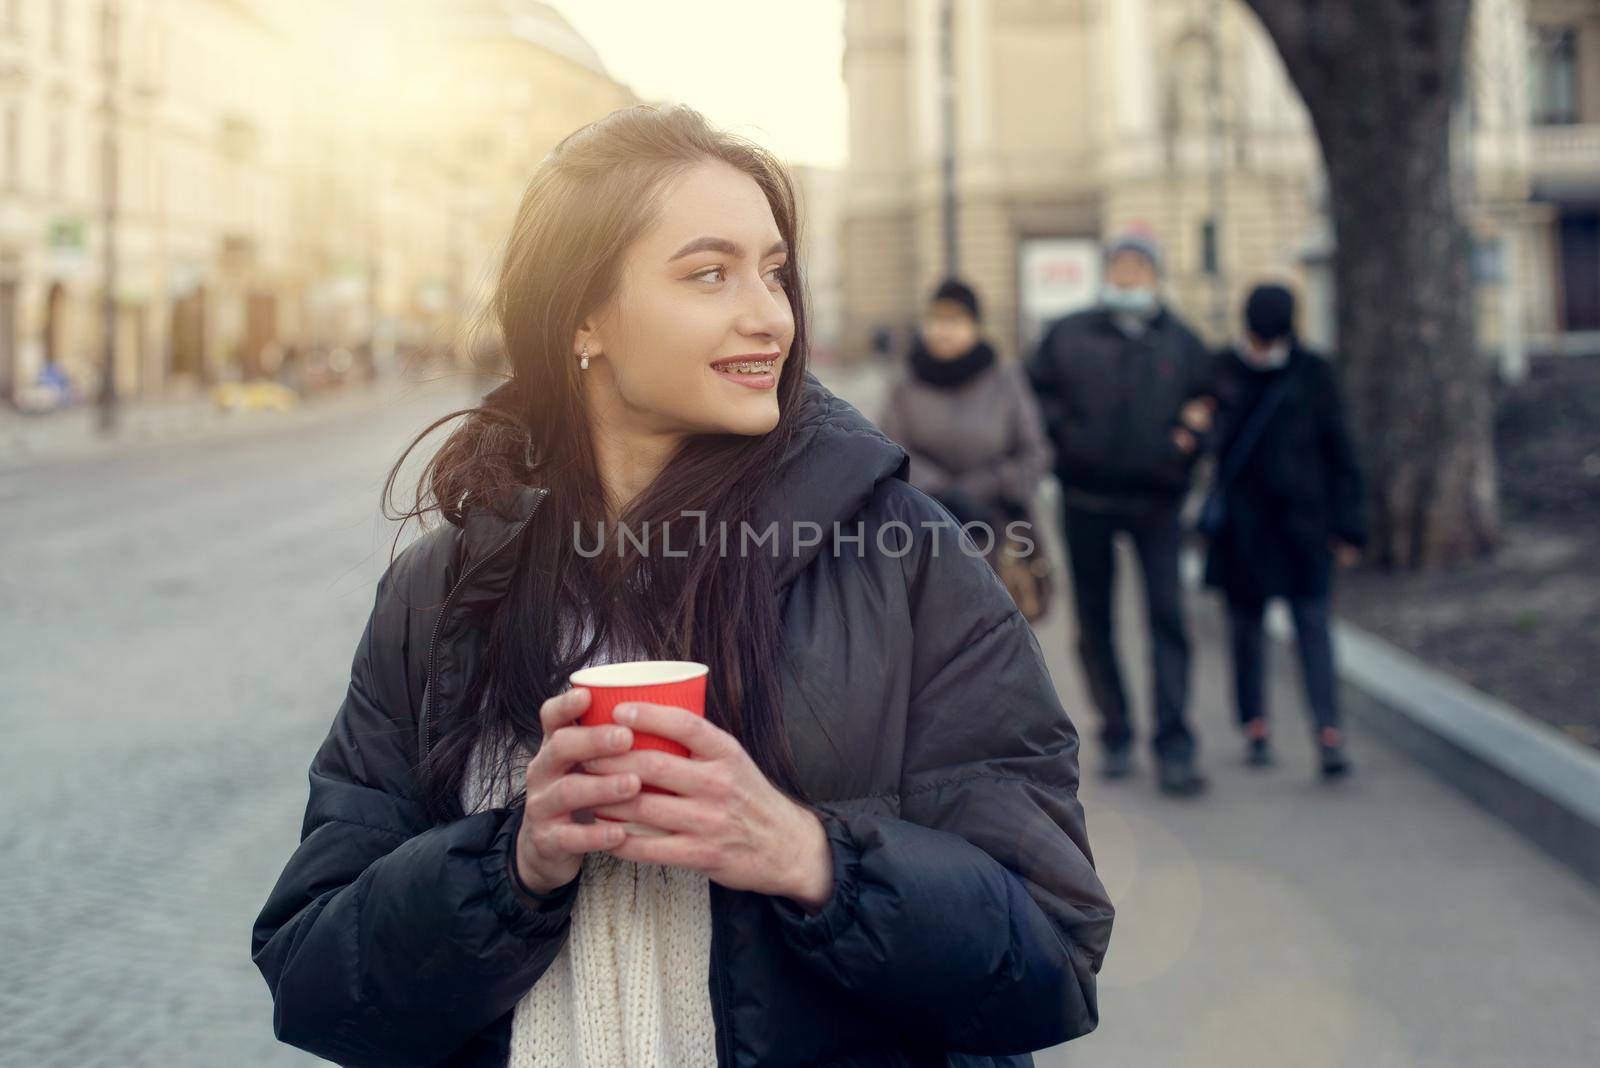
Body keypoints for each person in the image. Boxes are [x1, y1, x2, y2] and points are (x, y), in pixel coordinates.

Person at [251, 105, 1112, 1068]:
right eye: (710, 274)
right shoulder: (441, 593)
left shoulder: (906, 559)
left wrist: (808, 857)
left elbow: (1050, 958)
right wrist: (515, 866)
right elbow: (317, 980)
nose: (770, 315)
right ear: (582, 319)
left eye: (774, 271)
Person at [1026, 230, 1215, 796]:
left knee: (1166, 619)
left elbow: (1211, 401)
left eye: (1138, 265)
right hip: (1086, 499)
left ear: (1155, 275)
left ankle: (1175, 743)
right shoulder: (1067, 334)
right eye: (1119, 265)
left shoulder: (1183, 341)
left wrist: (1190, 438)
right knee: (1094, 622)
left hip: (1158, 501)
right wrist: (1069, 439)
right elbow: (1035, 396)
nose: (1128, 274)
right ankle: (1115, 731)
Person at [1204, 284, 1366, 778]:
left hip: (1303, 526)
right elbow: (1209, 445)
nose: (1262, 345)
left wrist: (1348, 527)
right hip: (1243, 528)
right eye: (1256, 335)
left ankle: (1328, 731)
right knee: (1245, 631)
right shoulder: (1222, 373)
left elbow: (1341, 452)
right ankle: (1255, 724)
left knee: (1313, 627)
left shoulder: (1313, 373)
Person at [878, 277, 1053, 547]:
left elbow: (1035, 452)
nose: (942, 331)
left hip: (1001, 530)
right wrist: (942, 493)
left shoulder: (1005, 380)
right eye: (935, 320)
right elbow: (891, 450)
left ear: (975, 326)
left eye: (955, 321)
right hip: (923, 529)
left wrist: (986, 487)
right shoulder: (904, 385)